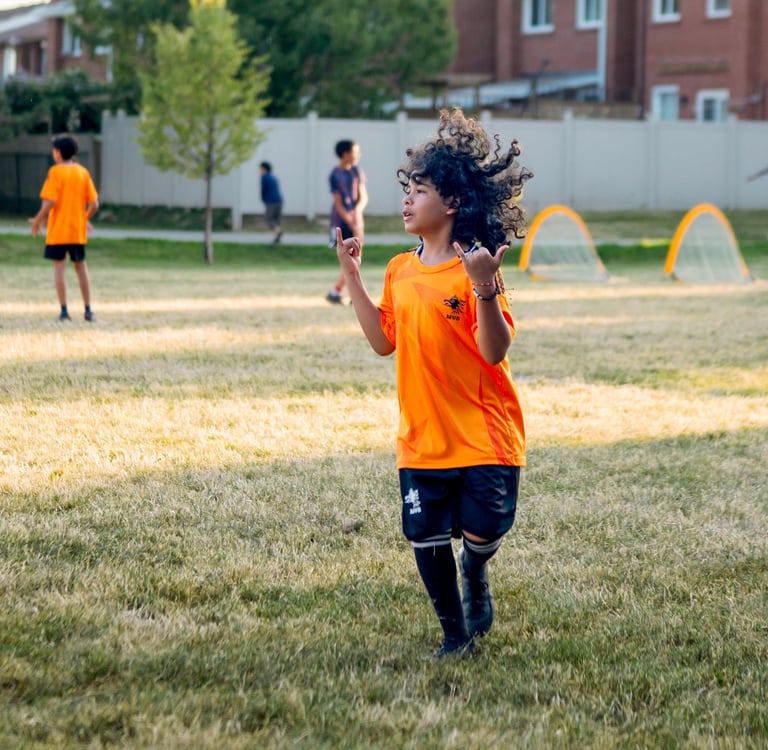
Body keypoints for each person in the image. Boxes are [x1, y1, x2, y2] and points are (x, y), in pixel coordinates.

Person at [333, 108, 532, 659]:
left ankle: (476, 567)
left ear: (452, 203)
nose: (406, 199)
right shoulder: (399, 269)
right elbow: (383, 341)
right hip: (422, 437)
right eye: (407, 189)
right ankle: (454, 636)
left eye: (418, 191)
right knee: (424, 537)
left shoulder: (477, 269)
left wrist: (485, 288)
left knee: (486, 531)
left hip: (483, 434)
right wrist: (352, 275)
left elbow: (494, 350)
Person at [29, 133, 99, 322]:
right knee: (81, 268)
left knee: (59, 269)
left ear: (58, 152)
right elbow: (94, 204)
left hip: (59, 231)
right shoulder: (82, 172)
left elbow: (50, 201)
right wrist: (83, 218)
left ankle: (64, 311)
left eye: (54, 150)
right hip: (77, 231)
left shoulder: (55, 172)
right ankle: (88, 310)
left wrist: (37, 220)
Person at [326, 139, 367, 303]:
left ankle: (339, 293)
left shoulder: (357, 171)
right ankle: (343, 293)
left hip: (356, 219)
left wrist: (357, 214)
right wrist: (351, 221)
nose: (358, 155)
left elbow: (363, 197)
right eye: (355, 152)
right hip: (341, 222)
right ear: (345, 154)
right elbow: (338, 204)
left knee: (356, 256)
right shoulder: (335, 175)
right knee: (348, 259)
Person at [259, 161, 284, 243]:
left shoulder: (264, 177)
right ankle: (277, 238)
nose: (259, 171)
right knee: (277, 220)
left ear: (264, 169)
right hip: (279, 200)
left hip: (271, 201)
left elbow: (263, 190)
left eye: (260, 169)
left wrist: (263, 199)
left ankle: (279, 233)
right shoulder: (274, 177)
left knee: (269, 220)